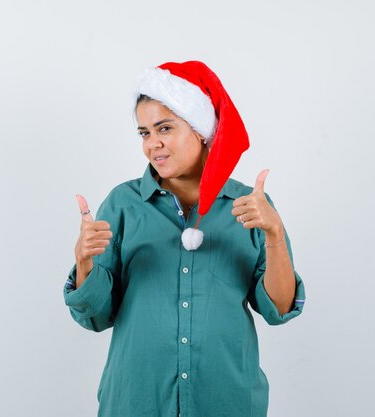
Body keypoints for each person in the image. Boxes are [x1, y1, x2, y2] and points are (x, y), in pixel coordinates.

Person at [64, 60, 306, 417]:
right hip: (136, 401)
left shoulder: (251, 206)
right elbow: (96, 317)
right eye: (144, 133)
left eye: (164, 128)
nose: (153, 144)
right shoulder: (123, 204)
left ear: (201, 130)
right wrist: (84, 263)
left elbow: (279, 309)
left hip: (226, 402)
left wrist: (274, 234)